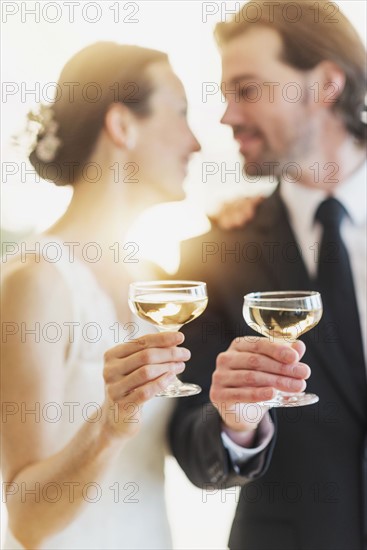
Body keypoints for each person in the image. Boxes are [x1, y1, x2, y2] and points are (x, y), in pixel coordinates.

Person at [169, 2, 367, 549]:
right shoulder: (215, 254)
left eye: (248, 89)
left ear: (326, 84)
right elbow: (190, 441)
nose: (227, 116)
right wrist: (237, 422)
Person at [1, 41, 203, 550]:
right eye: (179, 114)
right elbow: (26, 521)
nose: (195, 142)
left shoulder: (156, 279)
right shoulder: (35, 282)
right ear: (123, 126)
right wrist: (110, 425)